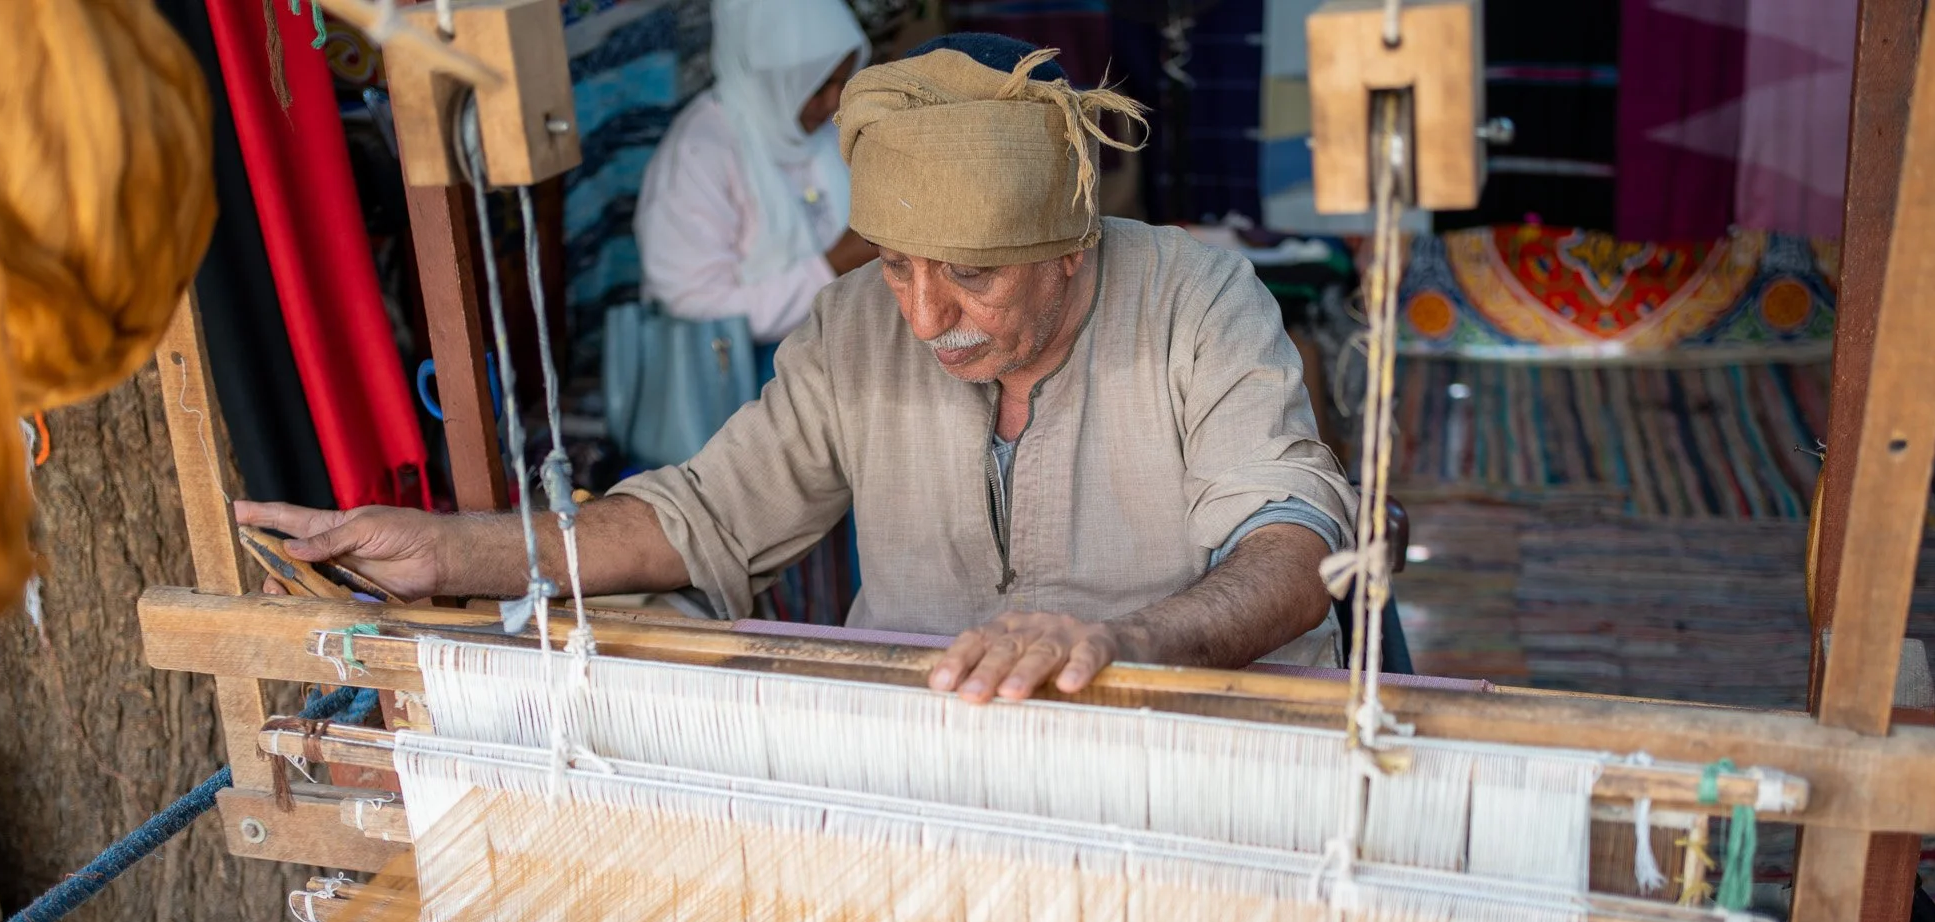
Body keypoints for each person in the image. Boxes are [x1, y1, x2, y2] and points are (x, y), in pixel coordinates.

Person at [240, 34, 1354, 705]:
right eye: (897, 269)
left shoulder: (1195, 302)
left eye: (969, 278)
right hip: (912, 750)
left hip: (1157, 743)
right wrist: (454, 550)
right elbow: (706, 517)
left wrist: (1122, 641)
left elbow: (1295, 548)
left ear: (1068, 253)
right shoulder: (850, 332)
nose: (925, 318)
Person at [634, 0, 876, 350]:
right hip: (732, 377)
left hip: (828, 348)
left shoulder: (825, 133)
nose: (833, 103)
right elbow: (694, 308)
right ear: (769, 75)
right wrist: (832, 267)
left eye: (843, 81)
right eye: (817, 85)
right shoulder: (700, 153)